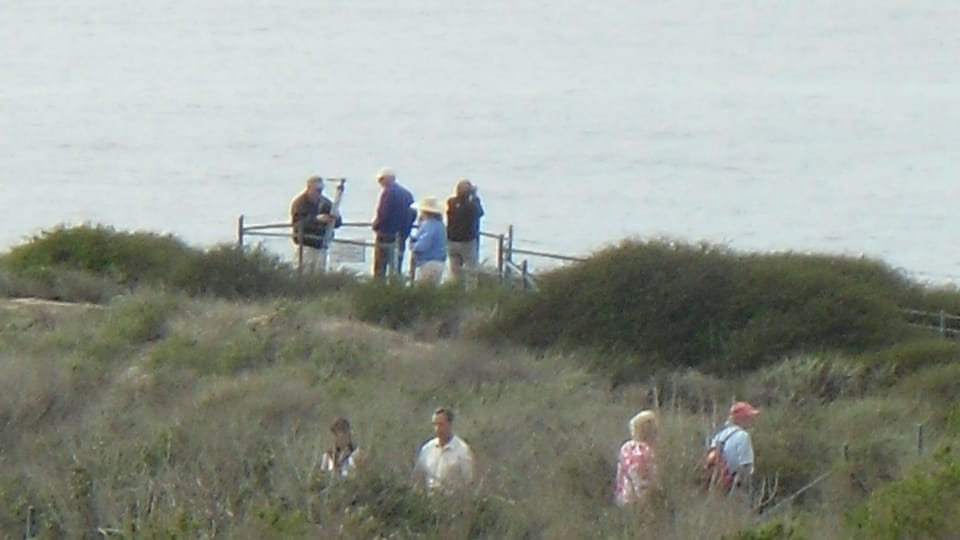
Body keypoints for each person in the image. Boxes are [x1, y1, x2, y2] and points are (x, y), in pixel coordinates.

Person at [414, 407, 475, 494]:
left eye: (441, 425)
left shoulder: (462, 450)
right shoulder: (427, 449)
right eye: (435, 425)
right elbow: (419, 478)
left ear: (450, 424)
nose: (437, 429)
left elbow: (468, 481)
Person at [290, 176, 343, 273]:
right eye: (317, 190)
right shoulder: (300, 203)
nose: (319, 193)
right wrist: (316, 219)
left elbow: (338, 223)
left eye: (321, 190)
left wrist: (336, 217)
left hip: (321, 244)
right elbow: (298, 223)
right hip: (306, 244)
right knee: (303, 272)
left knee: (319, 273)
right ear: (309, 188)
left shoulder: (325, 203)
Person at [706, 401, 760, 494]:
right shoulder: (743, 436)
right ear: (742, 419)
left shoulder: (719, 435)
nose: (752, 421)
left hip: (716, 485)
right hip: (733, 486)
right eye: (749, 417)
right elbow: (746, 466)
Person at [371, 167, 415, 279]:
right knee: (396, 264)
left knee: (380, 265)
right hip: (402, 234)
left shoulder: (388, 193)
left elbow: (383, 214)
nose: (380, 183)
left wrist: (376, 225)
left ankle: (378, 288)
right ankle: (395, 285)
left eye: (381, 180)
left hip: (386, 234)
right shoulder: (407, 194)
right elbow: (413, 213)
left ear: (387, 179)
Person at [614, 410, 658, 507]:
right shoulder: (644, 451)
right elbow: (644, 481)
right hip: (638, 501)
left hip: (622, 499)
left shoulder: (626, 447)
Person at [446, 179, 485, 289]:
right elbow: (480, 213)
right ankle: (470, 294)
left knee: (455, 270)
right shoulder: (471, 206)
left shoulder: (451, 202)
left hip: (452, 240)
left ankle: (455, 290)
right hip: (467, 242)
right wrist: (475, 197)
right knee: (471, 271)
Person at [410, 196, 448, 285]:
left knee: (423, 289)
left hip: (428, 262)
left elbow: (423, 245)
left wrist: (413, 245)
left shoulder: (429, 225)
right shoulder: (440, 224)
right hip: (439, 261)